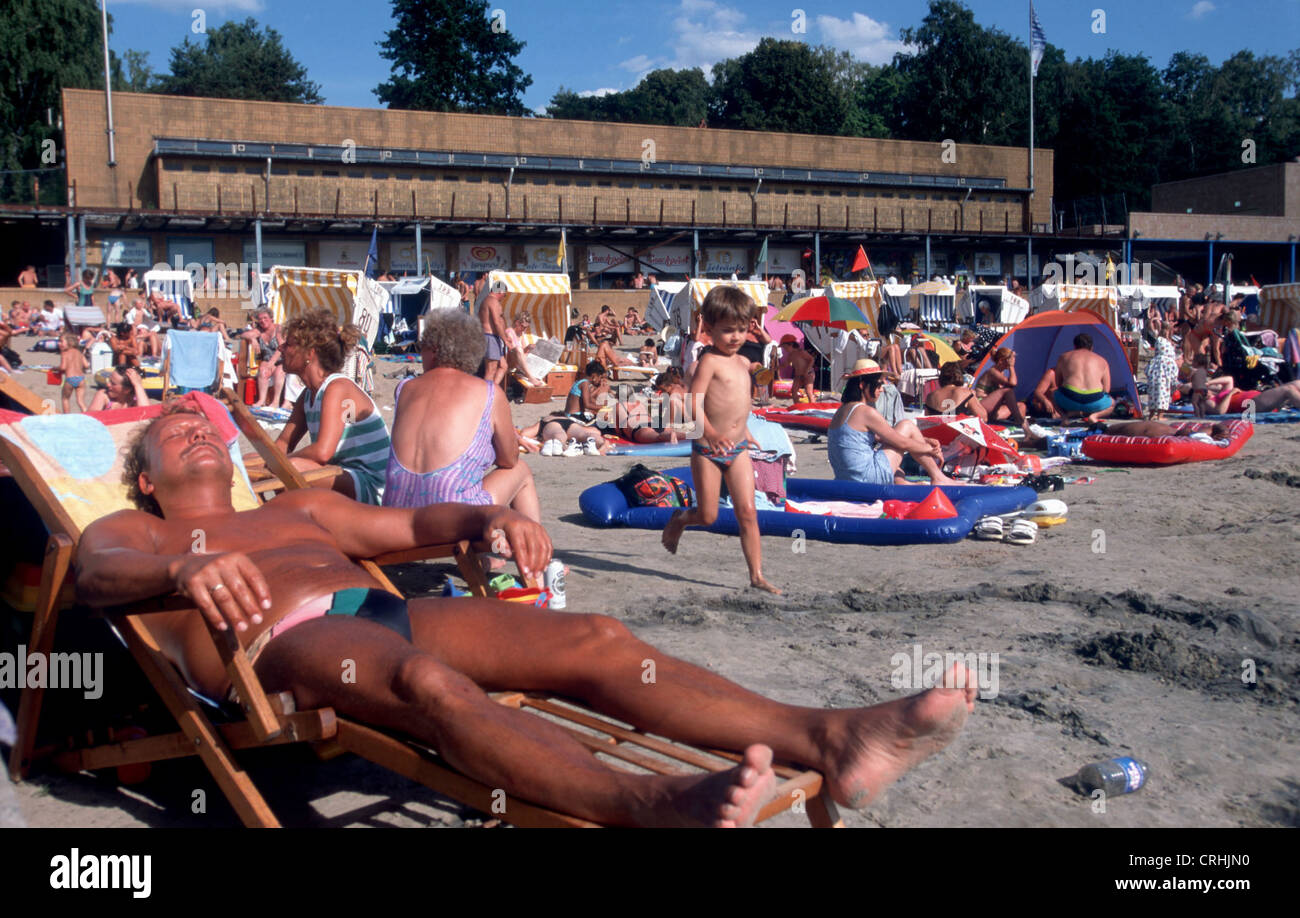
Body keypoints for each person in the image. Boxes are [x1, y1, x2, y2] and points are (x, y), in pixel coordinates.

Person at [75, 401, 980, 826]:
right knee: (427, 682)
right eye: (173, 429)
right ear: (148, 475)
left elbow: (410, 523)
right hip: (277, 648)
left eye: (206, 424)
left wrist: (487, 513)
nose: (196, 426)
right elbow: (94, 573)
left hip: (374, 613)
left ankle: (832, 740)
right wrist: (189, 563)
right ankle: (646, 805)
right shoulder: (131, 529)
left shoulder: (295, 506)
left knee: (597, 636)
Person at [661, 286, 778, 594]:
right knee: (709, 515)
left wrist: (746, 430)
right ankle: (681, 519)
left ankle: (756, 575)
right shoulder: (708, 362)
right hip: (707, 448)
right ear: (709, 328)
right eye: (728, 331)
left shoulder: (742, 362)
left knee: (748, 512)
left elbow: (740, 404)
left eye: (741, 330)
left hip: (738, 449)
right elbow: (693, 403)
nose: (736, 337)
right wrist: (710, 433)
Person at [385, 309, 540, 521]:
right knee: (520, 471)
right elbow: (509, 459)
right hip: (454, 517)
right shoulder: (489, 393)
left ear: (433, 349)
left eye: (422, 347)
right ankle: (535, 549)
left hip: (398, 510)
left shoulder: (403, 389)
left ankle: (493, 554)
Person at [272, 309, 391, 504]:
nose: (281, 348)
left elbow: (322, 452)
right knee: (254, 464)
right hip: (345, 476)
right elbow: (283, 444)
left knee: (292, 467)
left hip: (371, 485)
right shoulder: (307, 396)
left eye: (289, 344)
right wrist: (266, 461)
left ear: (309, 353)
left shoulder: (337, 388)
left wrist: (279, 463)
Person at [831, 359, 956, 487]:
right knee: (907, 425)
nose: (882, 390)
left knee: (898, 470)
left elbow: (882, 437)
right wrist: (930, 449)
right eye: (879, 385)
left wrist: (924, 439)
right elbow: (901, 442)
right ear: (863, 385)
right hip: (867, 479)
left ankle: (905, 485)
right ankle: (938, 476)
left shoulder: (842, 411)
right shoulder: (865, 411)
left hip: (846, 479)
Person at [1051, 333, 1114, 422]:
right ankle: (1094, 416)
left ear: (1074, 346)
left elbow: (1058, 383)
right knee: (1112, 404)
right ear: (1092, 347)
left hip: (1070, 398)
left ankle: (1064, 417)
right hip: (1094, 399)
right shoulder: (1102, 360)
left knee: (1053, 394)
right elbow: (1106, 390)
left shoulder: (1064, 357)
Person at [240, 308, 286, 410]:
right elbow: (243, 334)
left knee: (279, 372)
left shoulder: (278, 329)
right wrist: (252, 339)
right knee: (262, 370)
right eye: (260, 319)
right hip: (267, 360)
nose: (263, 321)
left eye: (265, 318)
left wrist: (272, 363)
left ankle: (276, 401)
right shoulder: (259, 331)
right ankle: (262, 400)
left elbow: (282, 347)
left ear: (271, 318)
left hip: (281, 359)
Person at [972, 348, 1028, 425]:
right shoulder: (992, 372)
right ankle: (1020, 421)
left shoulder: (1001, 373)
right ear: (1001, 360)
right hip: (981, 406)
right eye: (1010, 360)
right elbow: (1013, 383)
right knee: (1007, 390)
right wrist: (1011, 367)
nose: (1013, 362)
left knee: (1022, 406)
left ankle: (1020, 427)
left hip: (993, 409)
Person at [477, 279, 509, 386]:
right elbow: (497, 322)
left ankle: (493, 390)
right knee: (491, 370)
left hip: (491, 337)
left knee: (503, 366)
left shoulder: (487, 301)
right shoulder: (492, 301)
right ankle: (487, 397)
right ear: (500, 291)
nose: (503, 297)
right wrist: (505, 340)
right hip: (490, 337)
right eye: (504, 295)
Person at [500, 312, 544, 386]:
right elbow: (513, 350)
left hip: (517, 361)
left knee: (535, 352)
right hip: (509, 361)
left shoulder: (521, 334)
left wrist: (528, 348)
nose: (524, 329)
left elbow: (522, 352)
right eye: (523, 326)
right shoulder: (509, 332)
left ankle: (535, 375)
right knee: (518, 349)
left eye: (526, 327)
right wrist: (524, 350)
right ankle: (530, 377)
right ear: (517, 323)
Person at [1145, 334, 1180, 420]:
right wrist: (1175, 383)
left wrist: (1150, 378)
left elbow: (1146, 371)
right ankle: (1160, 416)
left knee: (1152, 398)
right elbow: (1173, 373)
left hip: (1152, 382)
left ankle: (1151, 415)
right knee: (1162, 399)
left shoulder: (1153, 360)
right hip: (1164, 383)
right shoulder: (1170, 361)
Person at [57, 333, 89, 413]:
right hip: (81, 379)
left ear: (69, 342)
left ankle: (67, 418)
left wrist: (55, 368)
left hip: (70, 379)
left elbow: (63, 367)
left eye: (61, 341)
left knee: (65, 399)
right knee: (80, 401)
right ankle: (87, 414)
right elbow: (87, 365)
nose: (59, 343)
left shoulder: (64, 353)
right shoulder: (79, 352)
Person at [778, 335, 816, 403]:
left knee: (809, 392)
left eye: (785, 347)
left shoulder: (801, 352)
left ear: (791, 345)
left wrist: (806, 370)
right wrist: (776, 368)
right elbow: (785, 365)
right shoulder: (790, 355)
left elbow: (811, 359)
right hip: (798, 375)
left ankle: (813, 408)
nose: (785, 350)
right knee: (793, 391)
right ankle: (797, 406)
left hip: (808, 373)